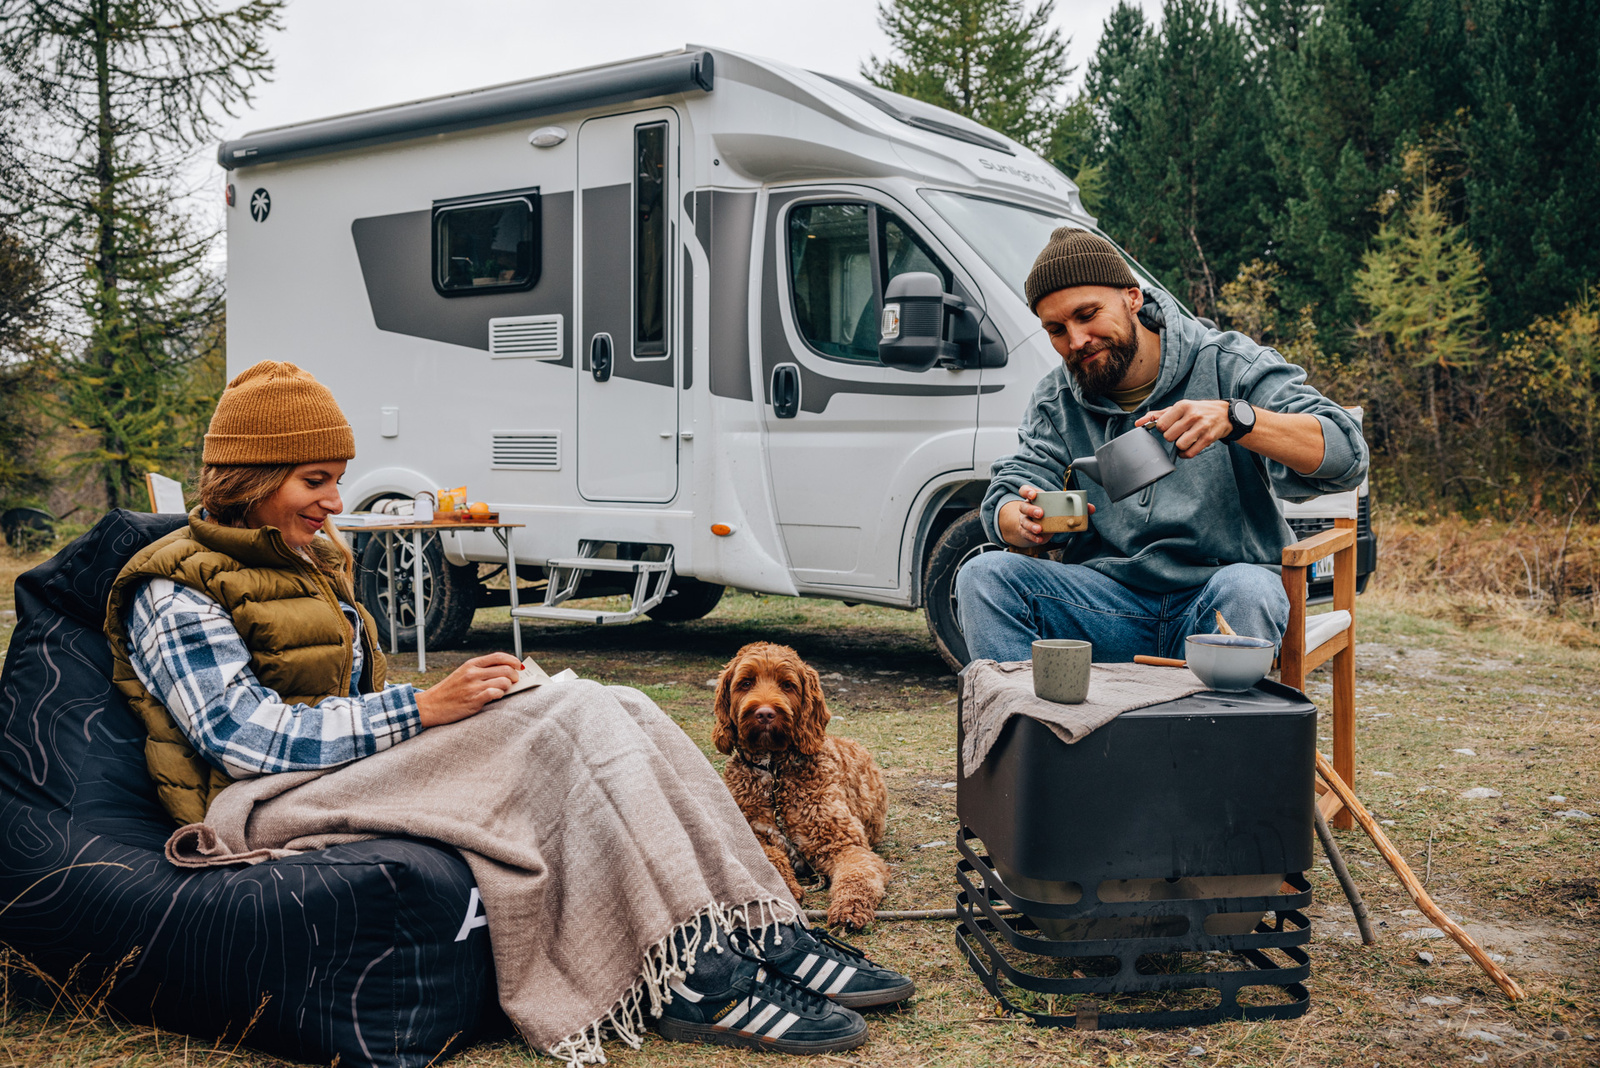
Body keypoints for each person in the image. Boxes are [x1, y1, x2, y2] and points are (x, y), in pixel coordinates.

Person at [103, 361, 910, 1057]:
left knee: (609, 702)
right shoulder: (175, 588)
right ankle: (691, 975)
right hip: (256, 806)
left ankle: (757, 924)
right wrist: (420, 710)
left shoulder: (306, 559)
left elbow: (335, 704)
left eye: (335, 477)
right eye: (315, 480)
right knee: (567, 720)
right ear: (249, 479)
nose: (335, 500)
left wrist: (466, 694)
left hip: (337, 770)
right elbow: (245, 739)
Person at [957, 228, 1368, 664]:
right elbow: (1013, 484)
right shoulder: (1055, 400)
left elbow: (1346, 450)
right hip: (1103, 606)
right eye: (1057, 330)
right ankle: (1036, 729)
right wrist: (1016, 519)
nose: (1076, 341)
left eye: (1087, 314)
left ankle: (1212, 727)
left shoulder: (1228, 363)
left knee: (1249, 588)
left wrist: (1236, 419)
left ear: (1132, 297)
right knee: (983, 575)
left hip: (1218, 596)